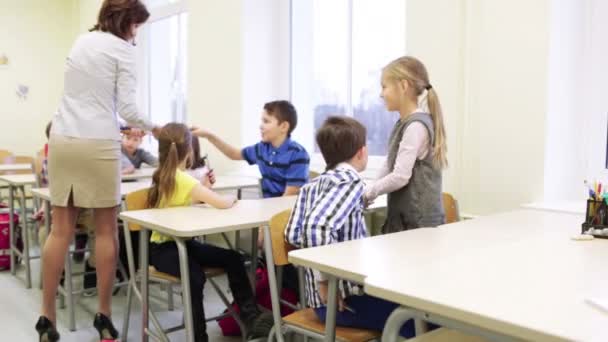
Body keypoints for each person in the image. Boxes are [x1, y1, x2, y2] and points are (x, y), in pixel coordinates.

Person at [36, 1, 161, 340]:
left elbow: (90, 99)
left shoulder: (81, 41)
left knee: (60, 230)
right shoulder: (124, 51)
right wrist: (156, 127)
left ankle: (46, 317)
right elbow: (128, 108)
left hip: (63, 138)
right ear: (127, 21)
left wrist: (117, 122)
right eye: (137, 25)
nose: (137, 33)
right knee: (106, 231)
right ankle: (104, 317)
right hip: (98, 143)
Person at [285, 116, 416, 337]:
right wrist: (325, 280)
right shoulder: (350, 181)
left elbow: (292, 234)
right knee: (424, 316)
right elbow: (315, 228)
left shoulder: (312, 186)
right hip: (342, 303)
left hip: (320, 303)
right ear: (361, 152)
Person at [147, 123, 273, 342]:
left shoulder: (164, 175)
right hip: (165, 249)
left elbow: (186, 202)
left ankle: (251, 318)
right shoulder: (184, 179)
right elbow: (222, 203)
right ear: (189, 151)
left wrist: (203, 187)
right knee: (195, 276)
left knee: (232, 258)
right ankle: (200, 336)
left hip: (181, 244)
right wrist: (231, 198)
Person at [364, 56, 448, 233]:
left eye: (384, 87)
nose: (381, 93)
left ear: (403, 86)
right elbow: (390, 163)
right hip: (405, 219)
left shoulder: (416, 126)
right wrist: (370, 188)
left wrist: (370, 192)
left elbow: (401, 176)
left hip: (419, 223)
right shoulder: (404, 123)